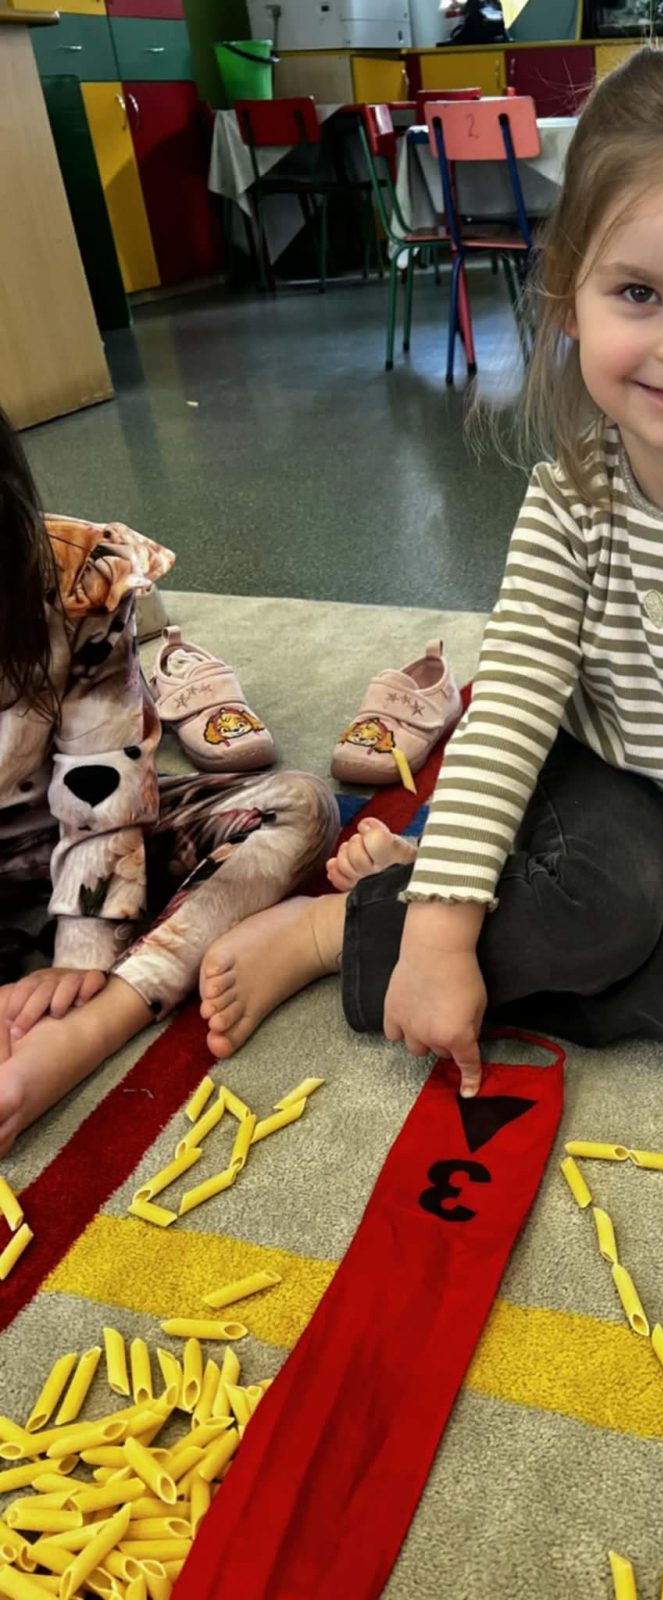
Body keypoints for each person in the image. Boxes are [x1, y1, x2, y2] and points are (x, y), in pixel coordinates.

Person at [199, 33, 663, 1092]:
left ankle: (426, 899)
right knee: (603, 907)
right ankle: (339, 931)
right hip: (596, 762)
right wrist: (439, 932)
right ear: (571, 292)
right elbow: (514, 703)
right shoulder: (575, 490)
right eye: (640, 293)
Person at [0, 413, 338, 1155]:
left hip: (70, 838)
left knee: (299, 806)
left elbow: (100, 785)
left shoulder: (71, 578)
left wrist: (81, 970)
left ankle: (107, 1019)